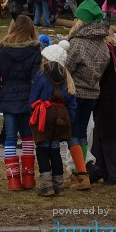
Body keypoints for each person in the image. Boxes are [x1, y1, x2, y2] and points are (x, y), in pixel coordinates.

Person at [0, 15, 42, 190]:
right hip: (27, 97)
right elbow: (37, 78)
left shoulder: (2, 49)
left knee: (10, 137)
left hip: (8, 96)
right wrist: (35, 98)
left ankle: (13, 180)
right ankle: (28, 178)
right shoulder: (35, 50)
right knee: (27, 137)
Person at [63, 0, 113, 191]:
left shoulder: (77, 43)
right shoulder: (103, 44)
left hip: (75, 93)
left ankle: (82, 176)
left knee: (73, 135)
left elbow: (67, 69)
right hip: (93, 93)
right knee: (82, 134)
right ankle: (78, 174)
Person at [88, 23, 116, 187]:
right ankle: (104, 172)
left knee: (109, 139)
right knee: (105, 137)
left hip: (110, 101)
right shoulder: (115, 50)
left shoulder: (106, 51)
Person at [29, 47, 76, 197]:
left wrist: (32, 113)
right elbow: (72, 102)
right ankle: (59, 185)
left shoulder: (41, 75)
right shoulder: (67, 77)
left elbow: (33, 98)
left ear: (47, 59)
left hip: (44, 114)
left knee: (42, 149)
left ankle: (47, 185)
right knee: (55, 150)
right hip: (61, 117)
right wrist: (69, 119)